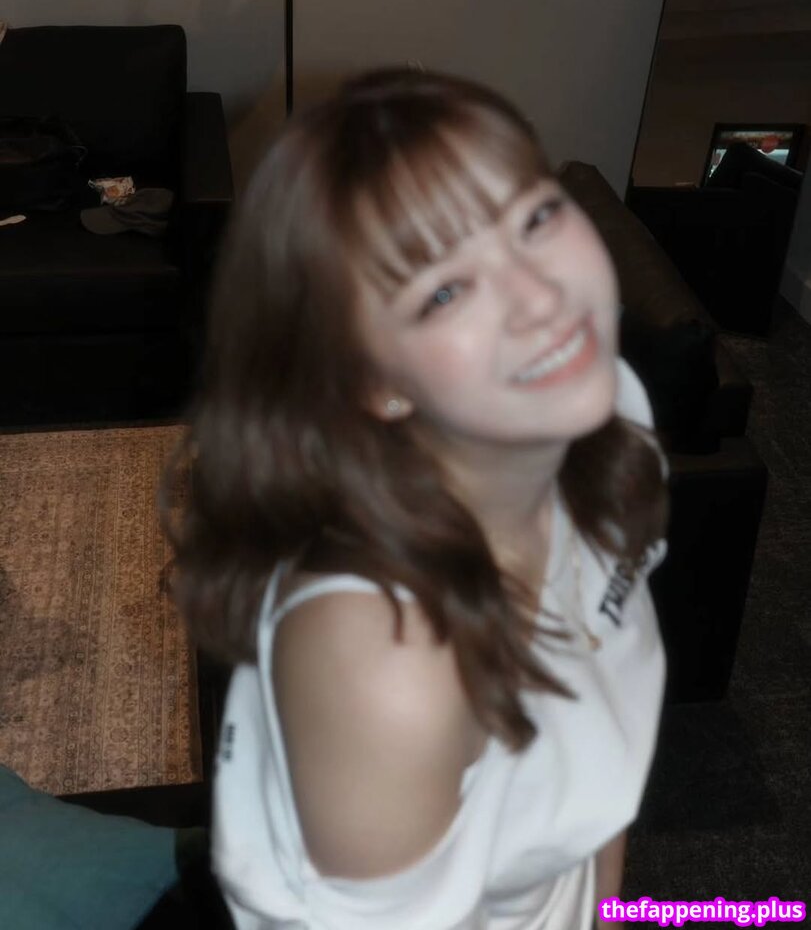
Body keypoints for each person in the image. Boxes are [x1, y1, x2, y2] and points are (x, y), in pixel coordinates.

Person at [159, 67, 670, 930]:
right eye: (443, 291)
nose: (542, 298)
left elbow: (603, 710)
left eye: (534, 217)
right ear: (373, 383)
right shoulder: (392, 659)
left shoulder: (604, 409)